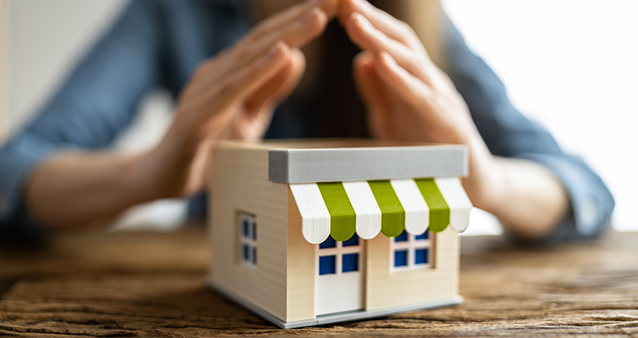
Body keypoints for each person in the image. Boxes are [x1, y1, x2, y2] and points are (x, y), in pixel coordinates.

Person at [0, 0, 614, 243]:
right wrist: (151, 173)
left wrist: (485, 181)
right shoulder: (173, 11)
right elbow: (16, 166)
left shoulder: (409, 23)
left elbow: (583, 187)